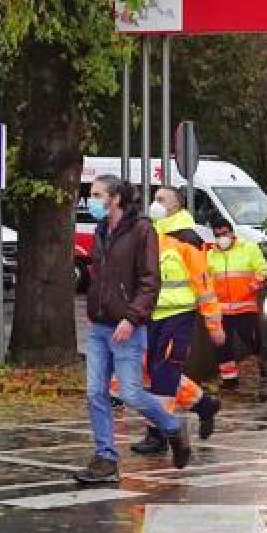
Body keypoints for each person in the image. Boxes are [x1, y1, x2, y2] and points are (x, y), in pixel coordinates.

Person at [79, 175, 191, 483]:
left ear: (114, 198)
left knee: (129, 392)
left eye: (96, 194)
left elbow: (149, 281)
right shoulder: (102, 229)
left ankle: (172, 426)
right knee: (95, 393)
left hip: (128, 326)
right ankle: (105, 458)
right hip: (100, 326)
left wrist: (131, 318)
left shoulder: (142, 230)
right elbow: (100, 276)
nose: (90, 200)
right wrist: (94, 308)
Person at [131, 186, 224, 456]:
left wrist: (214, 325)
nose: (154, 204)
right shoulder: (151, 234)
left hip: (178, 316)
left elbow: (203, 284)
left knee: (164, 375)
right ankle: (204, 404)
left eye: (161, 199)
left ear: (177, 206)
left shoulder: (188, 239)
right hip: (151, 316)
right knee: (155, 372)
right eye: (154, 199)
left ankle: (158, 432)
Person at [205, 216, 267, 389]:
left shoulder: (248, 248)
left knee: (254, 342)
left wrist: (249, 289)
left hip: (245, 307)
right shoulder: (210, 255)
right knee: (222, 346)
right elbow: (206, 282)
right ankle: (229, 379)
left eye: (224, 233)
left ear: (231, 232)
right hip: (222, 310)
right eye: (217, 235)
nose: (221, 238)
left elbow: (262, 271)